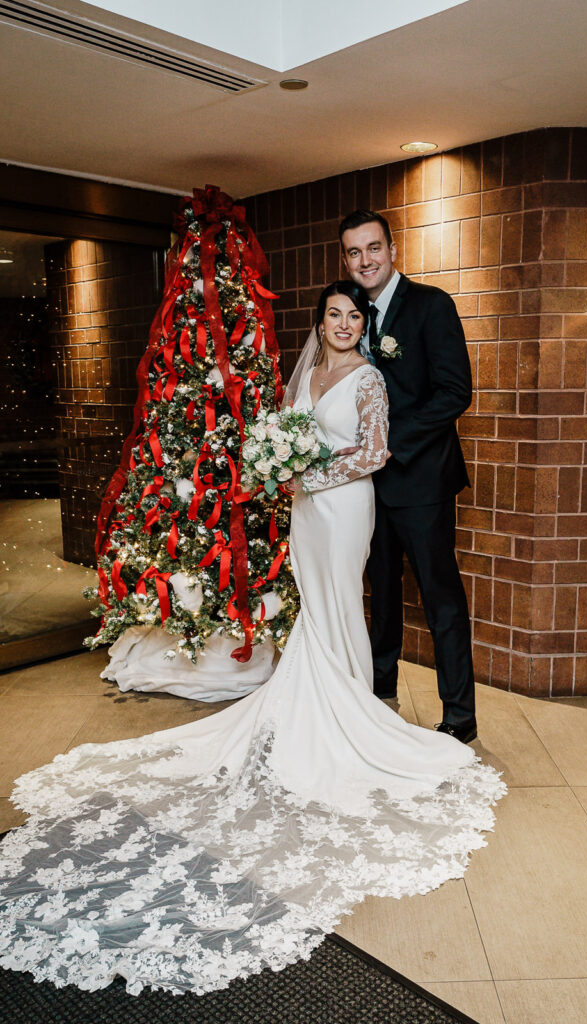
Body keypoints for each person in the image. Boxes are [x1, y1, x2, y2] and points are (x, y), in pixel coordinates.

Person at [0, 282, 504, 996]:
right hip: (307, 512)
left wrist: (309, 472)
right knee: (313, 610)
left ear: (363, 326)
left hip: (344, 506)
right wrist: (284, 470)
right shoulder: (307, 374)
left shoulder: (367, 377)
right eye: (333, 314)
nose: (340, 324)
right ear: (321, 322)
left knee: (338, 602)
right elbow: (279, 437)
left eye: (352, 315)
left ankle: (349, 712)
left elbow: (374, 452)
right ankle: (319, 701)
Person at [340, 210, 477, 744]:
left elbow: (454, 392)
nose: (365, 260)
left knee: (441, 599)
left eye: (373, 248)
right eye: (354, 252)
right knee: (382, 596)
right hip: (367, 489)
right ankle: (380, 693)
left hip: (421, 483)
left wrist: (387, 443)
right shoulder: (351, 314)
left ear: (392, 250)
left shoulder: (430, 306)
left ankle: (459, 718)